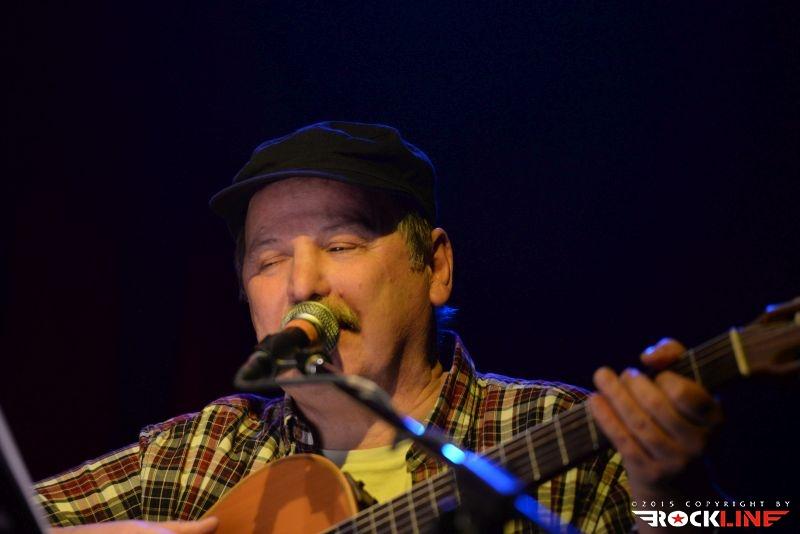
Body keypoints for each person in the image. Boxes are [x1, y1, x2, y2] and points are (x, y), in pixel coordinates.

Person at [34, 122, 722, 533]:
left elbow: (759, 517)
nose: (302, 285)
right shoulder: (193, 455)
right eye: (269, 260)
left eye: (341, 245)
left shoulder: (564, 427)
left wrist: (677, 498)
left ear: (436, 268)